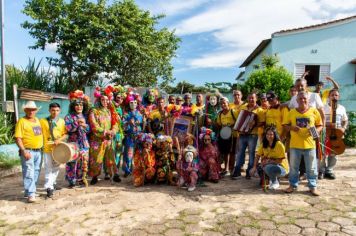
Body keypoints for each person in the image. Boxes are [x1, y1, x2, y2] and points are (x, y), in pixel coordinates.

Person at [283, 91, 323, 196]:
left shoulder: (314, 111)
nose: (302, 100)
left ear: (308, 100)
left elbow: (320, 125)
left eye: (304, 98)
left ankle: (313, 187)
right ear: (296, 100)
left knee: (311, 168)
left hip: (310, 145)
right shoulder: (291, 112)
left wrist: (316, 131)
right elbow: (285, 126)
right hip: (295, 145)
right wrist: (291, 127)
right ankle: (292, 185)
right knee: (293, 168)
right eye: (300, 99)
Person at [88, 86, 119, 185]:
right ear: (99, 100)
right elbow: (94, 125)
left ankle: (113, 175)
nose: (105, 101)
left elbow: (115, 123)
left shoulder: (110, 111)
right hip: (97, 139)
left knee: (110, 158)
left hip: (109, 139)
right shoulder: (94, 111)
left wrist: (113, 130)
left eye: (107, 100)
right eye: (103, 99)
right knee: (96, 159)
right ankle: (94, 176)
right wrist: (105, 131)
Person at [232, 92, 266, 179]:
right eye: (250, 98)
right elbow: (239, 118)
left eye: (253, 98)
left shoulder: (260, 110)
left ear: (256, 99)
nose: (251, 99)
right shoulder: (243, 107)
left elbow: (262, 123)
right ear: (247, 98)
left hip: (253, 135)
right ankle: (237, 171)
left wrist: (255, 123)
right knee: (240, 153)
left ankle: (249, 172)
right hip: (242, 134)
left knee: (251, 154)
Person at [15, 101, 43, 203]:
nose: (31, 111)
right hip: (28, 151)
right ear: (25, 110)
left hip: (38, 151)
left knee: (36, 171)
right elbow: (18, 138)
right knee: (29, 172)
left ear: (36, 111)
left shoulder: (37, 120)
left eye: (33, 109)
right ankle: (31, 194)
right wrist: (23, 151)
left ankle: (29, 191)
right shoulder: (22, 121)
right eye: (29, 109)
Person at [40, 102, 67, 197]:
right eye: (53, 110)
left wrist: (59, 140)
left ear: (59, 111)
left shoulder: (62, 121)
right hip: (47, 147)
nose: (55, 112)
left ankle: (51, 184)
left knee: (56, 167)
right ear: (49, 110)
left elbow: (65, 134)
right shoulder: (43, 121)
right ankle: (49, 187)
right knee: (48, 168)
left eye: (57, 110)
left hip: (58, 148)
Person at [64, 90, 91, 187]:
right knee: (72, 161)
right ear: (73, 106)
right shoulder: (68, 117)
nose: (79, 107)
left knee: (83, 161)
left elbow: (89, 129)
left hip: (84, 142)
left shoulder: (85, 116)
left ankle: (81, 178)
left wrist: (85, 125)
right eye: (77, 105)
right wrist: (77, 123)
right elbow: (68, 128)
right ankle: (72, 180)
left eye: (81, 105)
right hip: (73, 142)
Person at [321, 89, 348, 179]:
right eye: (332, 95)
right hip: (325, 133)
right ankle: (321, 170)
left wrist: (343, 128)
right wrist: (328, 124)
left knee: (334, 152)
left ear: (338, 97)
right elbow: (319, 121)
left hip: (337, 134)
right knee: (323, 152)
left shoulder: (342, 108)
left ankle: (330, 170)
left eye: (336, 95)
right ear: (329, 97)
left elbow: (345, 120)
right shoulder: (323, 107)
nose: (334, 97)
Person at [122, 90, 143, 177]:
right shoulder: (126, 114)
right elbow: (123, 125)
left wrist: (141, 122)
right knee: (128, 154)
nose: (133, 104)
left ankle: (137, 170)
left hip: (138, 136)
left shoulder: (140, 113)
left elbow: (142, 124)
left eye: (135, 102)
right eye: (131, 102)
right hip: (130, 136)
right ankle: (127, 170)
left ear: (137, 103)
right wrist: (127, 123)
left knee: (138, 153)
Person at [216, 97, 238, 175]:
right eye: (221, 103)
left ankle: (231, 169)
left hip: (233, 135)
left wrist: (231, 126)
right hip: (224, 135)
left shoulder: (233, 112)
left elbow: (238, 121)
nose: (223, 105)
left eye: (224, 103)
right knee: (225, 152)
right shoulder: (220, 114)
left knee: (232, 153)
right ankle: (226, 169)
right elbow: (219, 124)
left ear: (228, 103)